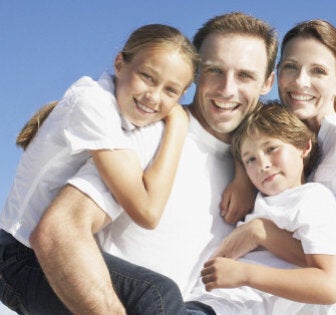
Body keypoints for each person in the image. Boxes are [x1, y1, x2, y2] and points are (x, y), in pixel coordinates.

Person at [17, 12, 278, 314]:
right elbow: (60, 232)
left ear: (267, 82)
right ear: (195, 74)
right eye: (214, 71)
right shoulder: (151, 135)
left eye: (245, 76)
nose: (227, 89)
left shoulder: (259, 166)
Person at [0, 23, 197, 314]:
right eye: (147, 77)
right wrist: (178, 125)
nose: (153, 97)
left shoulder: (123, 122)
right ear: (120, 63)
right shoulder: (92, 103)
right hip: (17, 259)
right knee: (155, 294)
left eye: (170, 90)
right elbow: (146, 210)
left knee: (157, 295)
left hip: (42, 254)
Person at [214, 19, 336, 314]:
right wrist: (240, 174)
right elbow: (247, 128)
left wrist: (262, 233)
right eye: (290, 67)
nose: (300, 81)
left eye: (318, 71)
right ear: (277, 75)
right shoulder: (289, 144)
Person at [186, 102, 336, 314]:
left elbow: (329, 286)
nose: (262, 164)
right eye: (250, 159)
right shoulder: (259, 201)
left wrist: (244, 273)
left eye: (271, 149)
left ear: (304, 146)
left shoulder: (312, 198)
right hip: (199, 302)